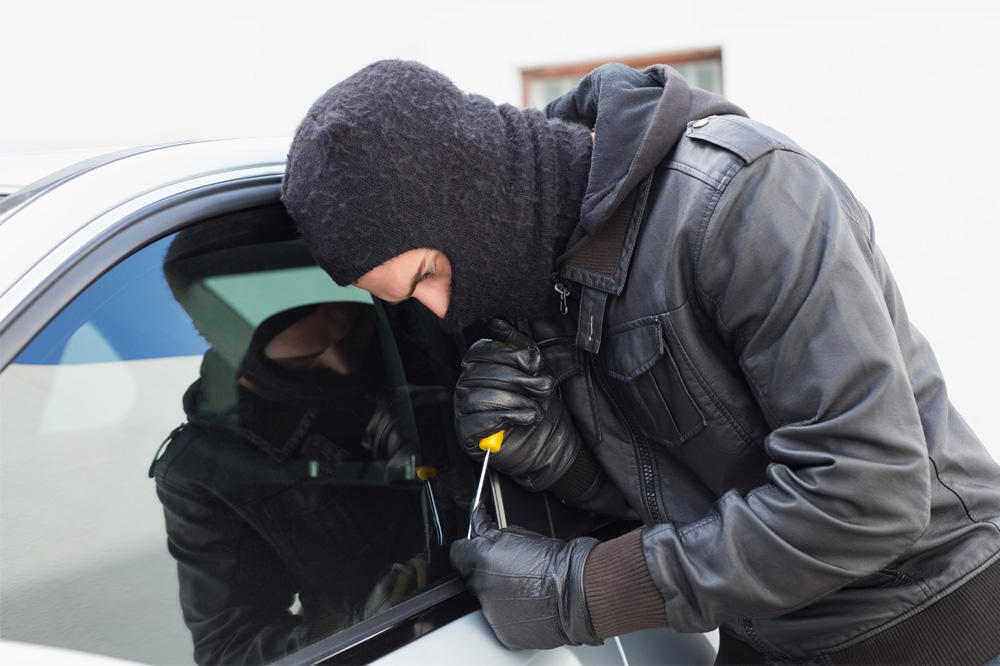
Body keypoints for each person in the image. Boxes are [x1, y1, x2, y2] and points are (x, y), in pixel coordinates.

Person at [280, 60, 1000, 664]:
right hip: (770, 636)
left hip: (936, 618)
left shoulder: (746, 199)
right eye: (409, 300)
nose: (440, 310)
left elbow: (868, 495)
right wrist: (564, 462)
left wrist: (586, 592)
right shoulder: (531, 284)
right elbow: (696, 493)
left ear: (469, 192)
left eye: (429, 272)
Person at [151, 301, 452, 665]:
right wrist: (359, 626)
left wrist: (448, 424)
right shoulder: (208, 469)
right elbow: (228, 648)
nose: (343, 364)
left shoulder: (413, 338)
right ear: (232, 346)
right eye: (306, 356)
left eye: (353, 332)